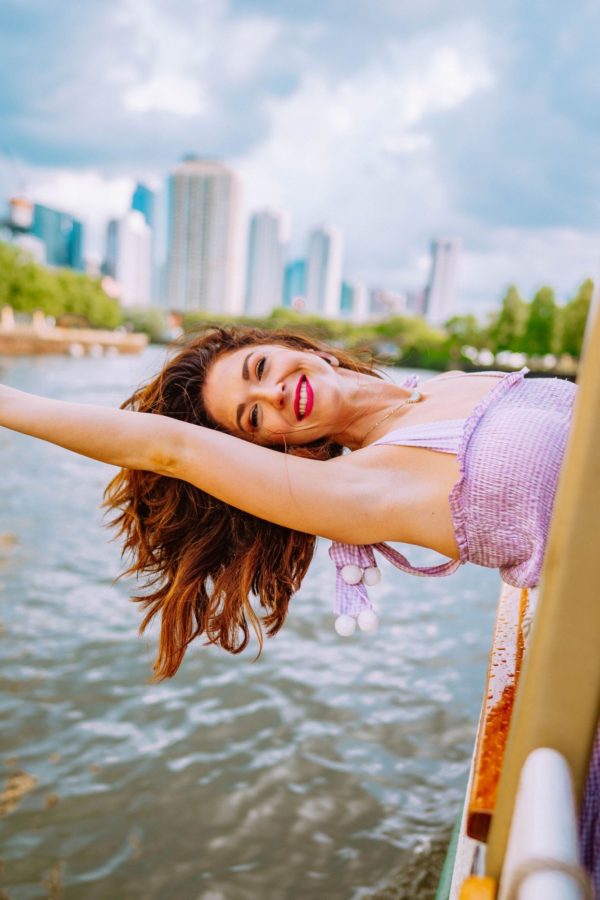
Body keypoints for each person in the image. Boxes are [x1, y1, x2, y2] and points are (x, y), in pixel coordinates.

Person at [0, 324, 577, 681]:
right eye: (254, 417)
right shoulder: (362, 489)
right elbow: (168, 448)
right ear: (280, 451)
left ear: (290, 346)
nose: (271, 392)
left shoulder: (446, 384)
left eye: (259, 368)